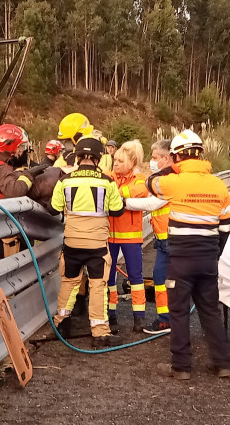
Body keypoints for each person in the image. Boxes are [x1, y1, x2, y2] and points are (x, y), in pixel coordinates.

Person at [147, 129, 230, 380]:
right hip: (208, 258)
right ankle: (223, 363)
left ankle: (181, 366)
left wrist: (173, 169)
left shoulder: (173, 182)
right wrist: (213, 254)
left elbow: (150, 182)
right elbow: (225, 229)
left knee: (178, 311)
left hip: (181, 259)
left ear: (176, 157)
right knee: (211, 312)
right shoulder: (219, 185)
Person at [51, 137, 125, 348]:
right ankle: (99, 332)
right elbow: (118, 210)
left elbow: (54, 208)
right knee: (97, 286)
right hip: (97, 246)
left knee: (69, 282)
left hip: (72, 243)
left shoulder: (65, 181)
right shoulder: (107, 182)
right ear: (98, 158)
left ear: (78, 156)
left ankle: (61, 323)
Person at [124, 139, 172, 334]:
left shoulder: (170, 180)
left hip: (172, 239)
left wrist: (122, 202)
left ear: (166, 158)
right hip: (163, 239)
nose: (152, 162)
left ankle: (168, 319)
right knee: (161, 278)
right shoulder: (161, 178)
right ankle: (165, 320)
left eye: (155, 158)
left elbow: (153, 204)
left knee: (167, 280)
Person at [107, 140, 148, 333]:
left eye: (120, 161)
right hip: (109, 236)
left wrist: (116, 193)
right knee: (108, 277)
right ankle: (110, 313)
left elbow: (141, 191)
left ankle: (139, 318)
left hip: (131, 238)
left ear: (132, 162)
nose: (115, 164)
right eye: (114, 160)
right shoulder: (109, 176)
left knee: (135, 277)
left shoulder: (139, 179)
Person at [0, 123, 46, 200]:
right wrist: (28, 175)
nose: (21, 151)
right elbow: (14, 192)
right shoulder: (3, 169)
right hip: (1, 210)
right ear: (12, 146)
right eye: (21, 147)